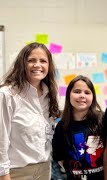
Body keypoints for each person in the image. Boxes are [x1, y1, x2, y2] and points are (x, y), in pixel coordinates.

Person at [0, 42, 60, 180]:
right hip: (15, 172)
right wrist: (3, 174)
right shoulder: (7, 95)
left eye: (43, 61)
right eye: (31, 60)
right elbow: (1, 138)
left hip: (44, 169)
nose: (37, 65)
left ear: (49, 66)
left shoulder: (50, 95)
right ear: (22, 64)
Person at [52, 75, 105, 179]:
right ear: (69, 95)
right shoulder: (62, 126)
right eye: (77, 92)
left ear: (93, 96)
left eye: (87, 92)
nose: (82, 95)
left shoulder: (102, 119)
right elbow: (60, 158)